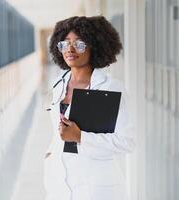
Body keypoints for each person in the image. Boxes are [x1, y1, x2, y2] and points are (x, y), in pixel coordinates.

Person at [43, 15, 136, 200]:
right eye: (65, 43)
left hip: (97, 186)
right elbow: (59, 130)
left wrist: (80, 137)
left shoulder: (110, 88)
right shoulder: (58, 83)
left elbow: (127, 142)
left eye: (79, 44)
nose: (70, 49)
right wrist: (50, 154)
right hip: (59, 181)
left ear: (94, 45)